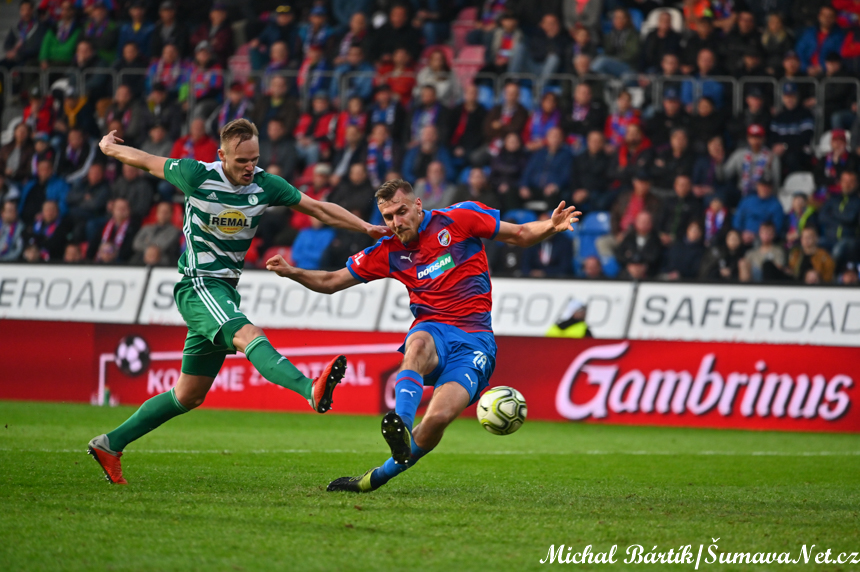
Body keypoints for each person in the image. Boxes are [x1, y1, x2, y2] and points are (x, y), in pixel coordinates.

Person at [87, 118, 391, 485]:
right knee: (249, 334)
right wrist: (109, 148)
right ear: (222, 155)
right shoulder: (196, 175)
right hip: (199, 285)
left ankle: (110, 444)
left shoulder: (265, 184)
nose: (250, 167)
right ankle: (309, 389)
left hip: (225, 290)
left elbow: (318, 208)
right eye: (242, 161)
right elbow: (146, 161)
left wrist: (366, 227)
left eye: (254, 159)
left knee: (189, 394)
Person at [265, 179, 581, 493]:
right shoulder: (387, 251)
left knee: (437, 419)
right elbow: (332, 281)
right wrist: (293, 272)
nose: (396, 222)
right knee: (416, 345)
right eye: (389, 217)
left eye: (401, 211)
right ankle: (400, 424)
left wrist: (551, 226)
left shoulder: (459, 219)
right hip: (433, 328)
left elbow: (520, 234)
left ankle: (372, 479)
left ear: (418, 205)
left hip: (475, 340)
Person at [733, 177, 786, 245]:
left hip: (762, 240)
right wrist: (741, 233)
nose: (764, 189)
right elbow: (737, 220)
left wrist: (757, 235)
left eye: (767, 187)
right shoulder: (747, 200)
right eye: (762, 186)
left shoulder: (776, 205)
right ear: (757, 186)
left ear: (771, 188)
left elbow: (777, 228)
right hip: (742, 237)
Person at [131, 201, 180, 265]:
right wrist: (149, 248)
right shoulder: (146, 228)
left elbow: (164, 245)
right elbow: (136, 244)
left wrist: (147, 242)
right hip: (142, 259)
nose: (163, 214)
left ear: (171, 214)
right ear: (157, 213)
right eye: (161, 212)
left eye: (166, 212)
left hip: (163, 262)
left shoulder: (175, 231)